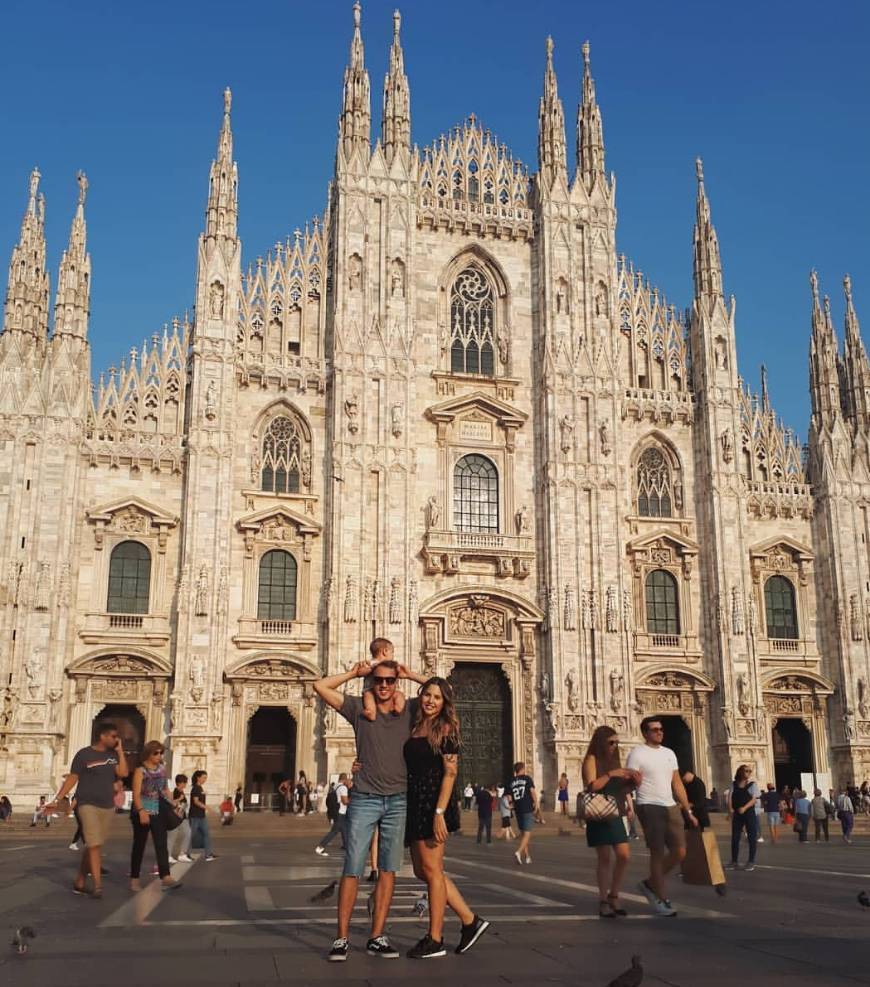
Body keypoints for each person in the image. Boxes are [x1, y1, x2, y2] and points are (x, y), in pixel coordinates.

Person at [313, 641, 428, 963]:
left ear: (396, 682)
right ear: (372, 682)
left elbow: (445, 694)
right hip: (364, 798)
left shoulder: (408, 709)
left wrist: (411, 675)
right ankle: (341, 938)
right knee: (352, 867)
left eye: (390, 681)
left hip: (398, 800)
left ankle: (377, 936)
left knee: (389, 871)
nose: (385, 686)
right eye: (379, 681)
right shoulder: (358, 710)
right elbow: (319, 685)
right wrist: (353, 672)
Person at [403, 677, 489, 958]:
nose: (430, 701)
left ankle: (435, 938)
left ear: (445, 702)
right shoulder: (416, 725)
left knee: (432, 871)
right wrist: (414, 676)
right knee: (423, 871)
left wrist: (439, 813)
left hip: (434, 803)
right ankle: (470, 921)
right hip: (415, 800)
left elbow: (450, 773)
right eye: (427, 695)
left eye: (437, 697)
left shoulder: (446, 728)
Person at [47, 720, 128, 899]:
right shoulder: (84, 754)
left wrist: (120, 751)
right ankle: (98, 885)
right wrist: (58, 798)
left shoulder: (113, 755)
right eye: (114, 736)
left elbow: (123, 773)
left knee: (94, 844)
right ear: (103, 736)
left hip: (107, 805)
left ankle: (80, 880)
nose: (117, 739)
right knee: (94, 844)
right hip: (86, 803)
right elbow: (73, 777)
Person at [626, 716, 698, 917]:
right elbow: (628, 781)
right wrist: (630, 794)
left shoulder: (669, 753)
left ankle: (650, 883)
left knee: (680, 851)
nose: (660, 732)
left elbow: (677, 783)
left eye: (661, 729)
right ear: (645, 733)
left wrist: (688, 810)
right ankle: (660, 898)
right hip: (649, 805)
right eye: (655, 729)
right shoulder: (637, 753)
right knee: (657, 852)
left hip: (670, 805)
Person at [582, 727, 640, 918]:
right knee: (604, 857)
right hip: (599, 810)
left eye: (616, 743)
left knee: (624, 855)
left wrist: (633, 783)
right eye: (611, 742)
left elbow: (620, 788)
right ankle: (603, 900)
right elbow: (591, 785)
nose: (614, 746)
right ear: (600, 742)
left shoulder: (615, 762)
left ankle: (614, 894)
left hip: (617, 809)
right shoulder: (591, 759)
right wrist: (610, 774)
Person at [129, 740, 182, 892]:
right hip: (142, 811)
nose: (159, 756)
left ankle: (165, 876)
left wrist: (173, 803)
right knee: (139, 845)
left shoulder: (162, 769)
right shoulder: (140, 771)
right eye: (156, 753)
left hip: (158, 810)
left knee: (161, 844)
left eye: (161, 753)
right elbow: (136, 794)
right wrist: (141, 811)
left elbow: (165, 789)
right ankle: (134, 879)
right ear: (148, 753)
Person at [362, 639, 406, 721]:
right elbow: (360, 672)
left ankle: (398, 708)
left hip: (388, 691)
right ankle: (371, 713)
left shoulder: (391, 664)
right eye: (392, 652)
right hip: (370, 690)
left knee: (400, 695)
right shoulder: (371, 663)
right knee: (368, 698)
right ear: (385, 651)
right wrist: (372, 668)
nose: (393, 655)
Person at [727, 764, 758, 871]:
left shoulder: (752, 785)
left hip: (748, 812)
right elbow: (730, 796)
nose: (749, 773)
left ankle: (751, 862)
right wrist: (730, 809)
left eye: (750, 771)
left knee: (751, 837)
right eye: (746, 771)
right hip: (737, 813)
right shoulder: (734, 784)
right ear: (740, 772)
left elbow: (754, 799)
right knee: (735, 837)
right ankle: (734, 861)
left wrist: (744, 808)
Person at [509, 762, 537, 865]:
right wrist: (536, 803)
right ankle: (518, 852)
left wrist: (511, 805)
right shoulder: (527, 779)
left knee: (523, 833)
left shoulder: (511, 781)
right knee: (527, 833)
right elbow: (532, 792)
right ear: (522, 769)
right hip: (527, 807)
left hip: (518, 809)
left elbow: (509, 797)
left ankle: (527, 856)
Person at [315, 772, 349, 856]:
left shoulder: (335, 786)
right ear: (345, 779)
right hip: (341, 811)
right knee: (334, 831)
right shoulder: (343, 788)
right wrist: (353, 800)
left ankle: (346, 845)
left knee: (344, 829)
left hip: (337, 811)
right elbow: (345, 801)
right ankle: (320, 846)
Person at [188, 769, 217, 860]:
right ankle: (185, 853)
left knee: (206, 834)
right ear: (198, 777)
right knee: (191, 835)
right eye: (204, 778)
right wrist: (207, 807)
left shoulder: (200, 788)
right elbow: (196, 801)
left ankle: (208, 854)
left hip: (201, 816)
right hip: (195, 816)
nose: (205, 780)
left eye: (206, 778)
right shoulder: (196, 788)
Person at [168, 774, 193, 863]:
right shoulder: (175, 792)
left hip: (182, 817)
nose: (185, 785)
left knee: (188, 833)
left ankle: (182, 854)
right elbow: (172, 803)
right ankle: (168, 855)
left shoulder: (181, 791)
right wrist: (179, 799)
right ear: (180, 783)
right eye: (185, 783)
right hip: (176, 817)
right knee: (172, 836)